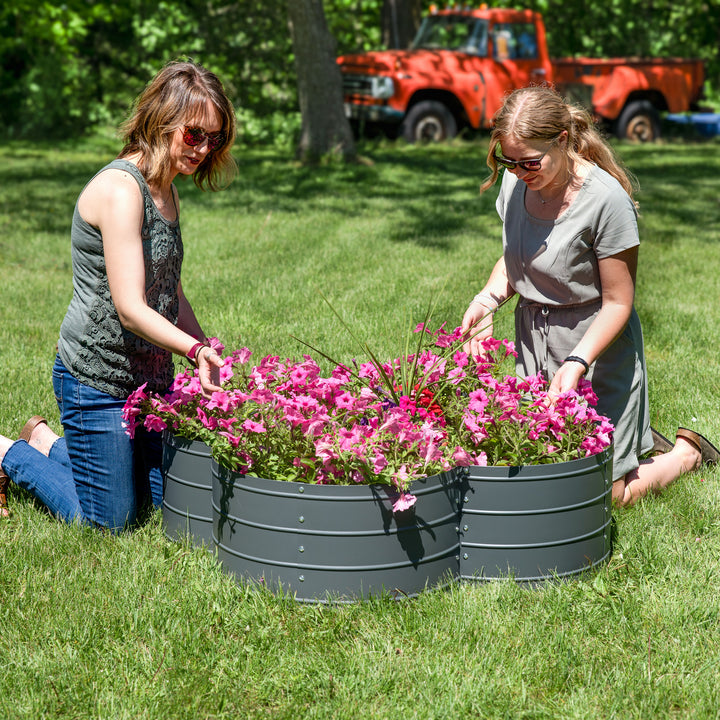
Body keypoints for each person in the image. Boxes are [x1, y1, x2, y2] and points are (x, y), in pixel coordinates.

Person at [0, 60, 237, 529]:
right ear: (163, 120)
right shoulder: (121, 190)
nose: (204, 148)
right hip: (96, 381)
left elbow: (171, 293)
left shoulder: (166, 185)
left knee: (160, 503)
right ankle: (9, 452)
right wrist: (191, 349)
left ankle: (47, 440)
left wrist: (207, 350)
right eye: (195, 135)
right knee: (111, 520)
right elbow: (130, 309)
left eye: (216, 138)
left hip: (147, 382)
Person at [461, 85, 718, 507]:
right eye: (509, 161)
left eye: (530, 162)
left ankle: (686, 454)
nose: (519, 172)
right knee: (542, 467)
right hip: (535, 339)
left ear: (562, 141)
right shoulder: (515, 183)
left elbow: (619, 302)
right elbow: (518, 258)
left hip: (596, 345)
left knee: (604, 497)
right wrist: (486, 300)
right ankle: (632, 437)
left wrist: (578, 361)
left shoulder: (605, 201)